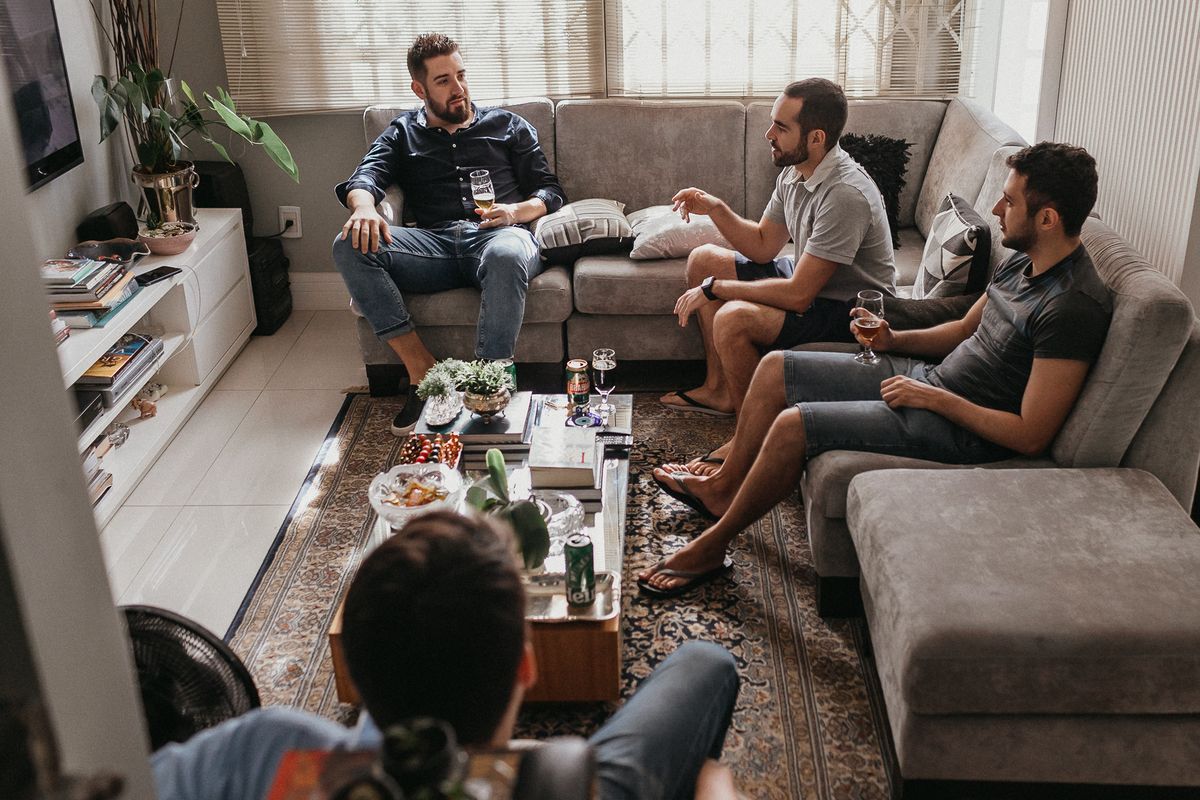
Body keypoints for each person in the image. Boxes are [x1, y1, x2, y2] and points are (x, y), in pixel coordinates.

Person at [641, 142, 1111, 599]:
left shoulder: (1071, 308)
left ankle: (714, 543)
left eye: (1009, 201)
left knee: (793, 424)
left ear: (1047, 218)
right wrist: (894, 340)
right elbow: (962, 330)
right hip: (934, 379)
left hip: (960, 426)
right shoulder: (1023, 262)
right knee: (774, 370)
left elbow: (1031, 435)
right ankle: (723, 488)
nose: (996, 207)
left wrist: (934, 398)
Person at [152, 510, 743, 800]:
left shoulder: (265, 747)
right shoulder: (573, 786)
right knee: (707, 664)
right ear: (526, 666)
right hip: (562, 784)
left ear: (355, 668)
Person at [333, 33, 567, 435]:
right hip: (433, 246)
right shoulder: (402, 132)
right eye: (443, 81)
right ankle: (422, 371)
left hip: (499, 236)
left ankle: (488, 385)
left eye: (461, 75)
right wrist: (365, 206)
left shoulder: (508, 126)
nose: (458, 89)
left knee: (506, 256)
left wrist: (515, 212)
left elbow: (550, 191)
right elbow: (366, 176)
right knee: (348, 245)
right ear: (419, 88)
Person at [659, 78, 897, 450]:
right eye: (773, 123)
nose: (769, 134)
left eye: (781, 127)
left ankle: (752, 437)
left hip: (846, 309)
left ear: (816, 137)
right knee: (704, 260)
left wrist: (715, 289)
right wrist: (716, 209)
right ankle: (720, 391)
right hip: (811, 281)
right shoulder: (795, 169)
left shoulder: (845, 195)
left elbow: (799, 295)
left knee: (731, 317)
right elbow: (763, 246)